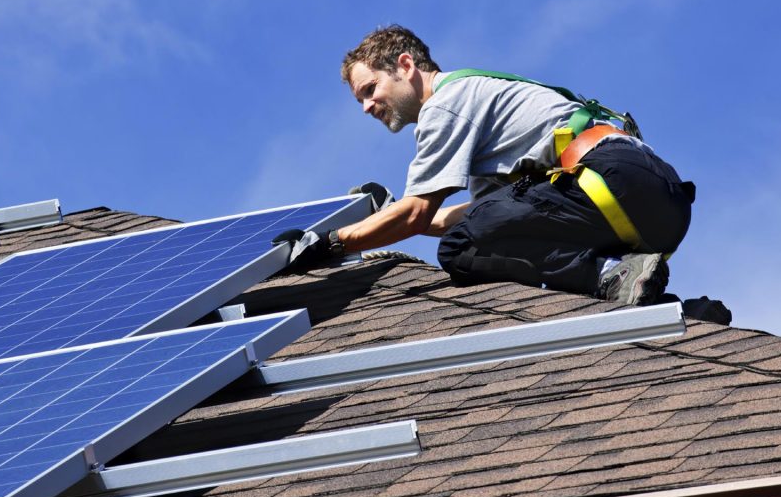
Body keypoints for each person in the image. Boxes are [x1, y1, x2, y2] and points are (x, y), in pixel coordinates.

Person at [274, 25, 693, 305]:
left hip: (610, 184)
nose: (366, 107)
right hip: (658, 203)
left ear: (405, 65)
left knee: (461, 250)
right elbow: (472, 215)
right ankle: (658, 302)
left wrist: (330, 243)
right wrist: (389, 217)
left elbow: (420, 213)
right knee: (477, 231)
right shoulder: (480, 102)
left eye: (370, 89)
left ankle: (607, 275)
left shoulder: (446, 106)